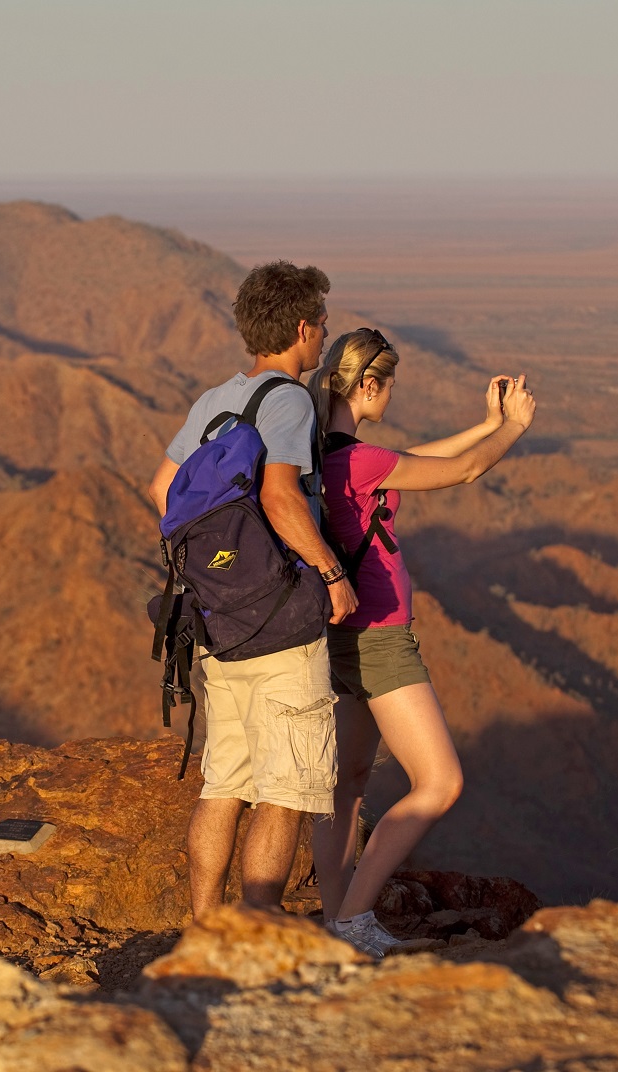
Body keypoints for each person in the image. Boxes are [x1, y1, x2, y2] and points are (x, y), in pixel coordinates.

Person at [307, 327, 536, 956]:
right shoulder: (359, 461)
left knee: (346, 785)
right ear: (370, 384)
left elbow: (415, 456)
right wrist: (513, 428)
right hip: (381, 641)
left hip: (337, 639)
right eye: (390, 385)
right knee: (439, 782)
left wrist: (482, 423)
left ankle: (335, 920)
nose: (391, 397)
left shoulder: (323, 455)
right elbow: (459, 473)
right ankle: (355, 922)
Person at [147, 261, 359, 917]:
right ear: (301, 327)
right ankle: (257, 928)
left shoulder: (213, 401)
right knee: (287, 789)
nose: (322, 338)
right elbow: (279, 494)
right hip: (279, 622)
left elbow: (161, 492)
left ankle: (206, 925)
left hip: (219, 621)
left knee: (223, 783)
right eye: (320, 325)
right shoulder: (289, 400)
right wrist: (329, 572)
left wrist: (216, 570)